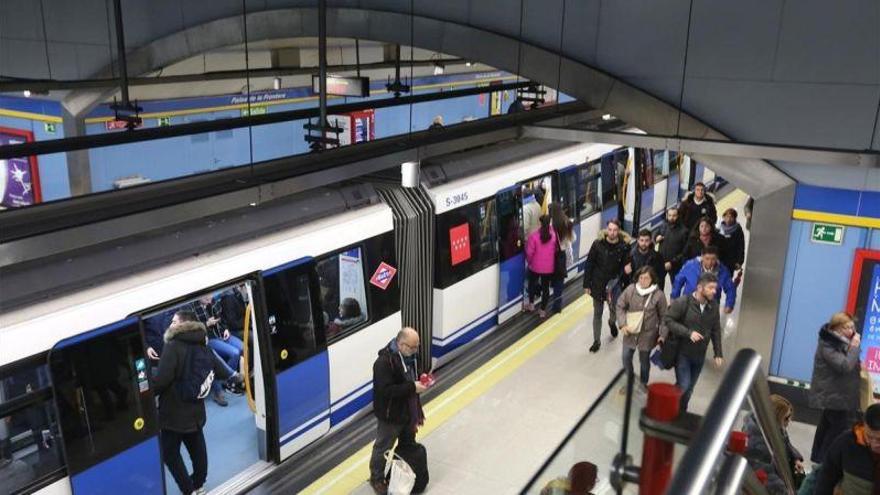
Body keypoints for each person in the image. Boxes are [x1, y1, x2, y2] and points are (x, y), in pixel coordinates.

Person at [152, 310, 242, 495]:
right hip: (196, 409)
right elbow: (217, 368)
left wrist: (147, 395)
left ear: (184, 325)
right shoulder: (203, 343)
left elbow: (162, 380)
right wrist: (235, 376)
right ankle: (199, 483)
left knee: (169, 453)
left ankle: (188, 490)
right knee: (197, 446)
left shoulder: (173, 346)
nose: (171, 325)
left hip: (174, 411)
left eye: (174, 321)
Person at [369, 328, 428, 495]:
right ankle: (377, 478)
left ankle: (402, 469)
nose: (416, 351)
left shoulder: (411, 355)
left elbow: (415, 371)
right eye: (413, 347)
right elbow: (386, 391)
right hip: (391, 415)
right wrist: (412, 387)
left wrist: (422, 376)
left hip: (408, 411)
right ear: (401, 344)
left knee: (408, 443)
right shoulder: (383, 363)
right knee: (383, 447)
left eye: (417, 347)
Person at [663, 272, 723, 412]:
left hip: (699, 355)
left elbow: (716, 330)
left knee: (689, 389)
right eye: (711, 288)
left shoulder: (713, 306)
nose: (714, 291)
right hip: (683, 353)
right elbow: (668, 319)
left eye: (715, 288)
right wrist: (688, 333)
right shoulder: (683, 302)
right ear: (700, 288)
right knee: (684, 385)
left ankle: (680, 412)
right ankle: (669, 406)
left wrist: (718, 353)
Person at [808, 312, 862, 465]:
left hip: (837, 395)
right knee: (835, 431)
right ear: (837, 328)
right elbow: (844, 366)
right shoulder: (828, 345)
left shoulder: (839, 341)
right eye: (847, 327)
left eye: (852, 326)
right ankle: (825, 462)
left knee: (827, 427)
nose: (851, 331)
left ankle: (819, 459)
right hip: (834, 396)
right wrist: (854, 349)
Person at [583, 219, 632, 353]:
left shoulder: (624, 247)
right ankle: (596, 341)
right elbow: (589, 264)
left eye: (615, 230)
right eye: (610, 229)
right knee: (597, 313)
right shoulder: (597, 244)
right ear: (606, 230)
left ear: (619, 231)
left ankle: (611, 322)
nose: (612, 233)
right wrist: (586, 284)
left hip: (615, 285)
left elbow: (626, 267)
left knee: (614, 310)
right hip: (598, 284)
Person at [616, 266, 668, 388]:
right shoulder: (630, 290)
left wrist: (662, 335)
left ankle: (643, 383)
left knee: (644, 361)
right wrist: (622, 324)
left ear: (652, 280)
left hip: (648, 335)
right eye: (641, 278)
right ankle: (630, 381)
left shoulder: (659, 295)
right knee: (626, 357)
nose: (643, 281)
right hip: (630, 332)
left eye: (646, 278)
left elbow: (664, 317)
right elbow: (620, 305)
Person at [743, 394, 804, 495]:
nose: (789, 421)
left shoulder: (775, 428)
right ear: (776, 416)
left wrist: (795, 457)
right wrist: (786, 492)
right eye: (786, 418)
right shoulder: (759, 443)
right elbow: (769, 477)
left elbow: (786, 443)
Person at [815, 402, 880, 494]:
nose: (874, 444)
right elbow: (826, 476)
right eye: (869, 437)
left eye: (879, 439)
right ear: (864, 425)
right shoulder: (847, 442)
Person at [672, 246, 737, 314]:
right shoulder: (690, 265)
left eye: (713, 259)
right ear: (702, 257)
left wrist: (729, 304)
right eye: (707, 259)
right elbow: (678, 281)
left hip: (710, 307)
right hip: (689, 304)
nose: (710, 262)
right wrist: (674, 297)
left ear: (717, 258)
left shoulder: (722, 270)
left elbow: (730, 288)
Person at [525, 216, 558, 318]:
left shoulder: (533, 237)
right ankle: (542, 311)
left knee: (532, 284)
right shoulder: (554, 235)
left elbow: (529, 253)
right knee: (545, 288)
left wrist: (529, 263)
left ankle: (531, 305)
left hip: (535, 267)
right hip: (549, 268)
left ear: (540, 224)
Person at [550, 203, 575, 313]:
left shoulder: (551, 225)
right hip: (562, 255)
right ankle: (557, 304)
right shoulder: (566, 222)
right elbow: (573, 238)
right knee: (559, 281)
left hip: (551, 255)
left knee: (553, 279)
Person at [655, 207, 690, 287]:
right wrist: (656, 238)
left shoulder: (684, 231)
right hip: (661, 262)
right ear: (667, 216)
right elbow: (655, 235)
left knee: (676, 288)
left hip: (675, 265)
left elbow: (685, 252)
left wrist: (672, 262)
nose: (671, 218)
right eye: (670, 215)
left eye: (674, 215)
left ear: (678, 216)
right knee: (658, 287)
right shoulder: (663, 226)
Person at [718, 208, 745, 276]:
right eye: (727, 216)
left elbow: (741, 246)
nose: (729, 219)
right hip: (719, 260)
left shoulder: (737, 229)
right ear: (723, 217)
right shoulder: (719, 229)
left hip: (731, 261)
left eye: (731, 217)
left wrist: (739, 262)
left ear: (735, 218)